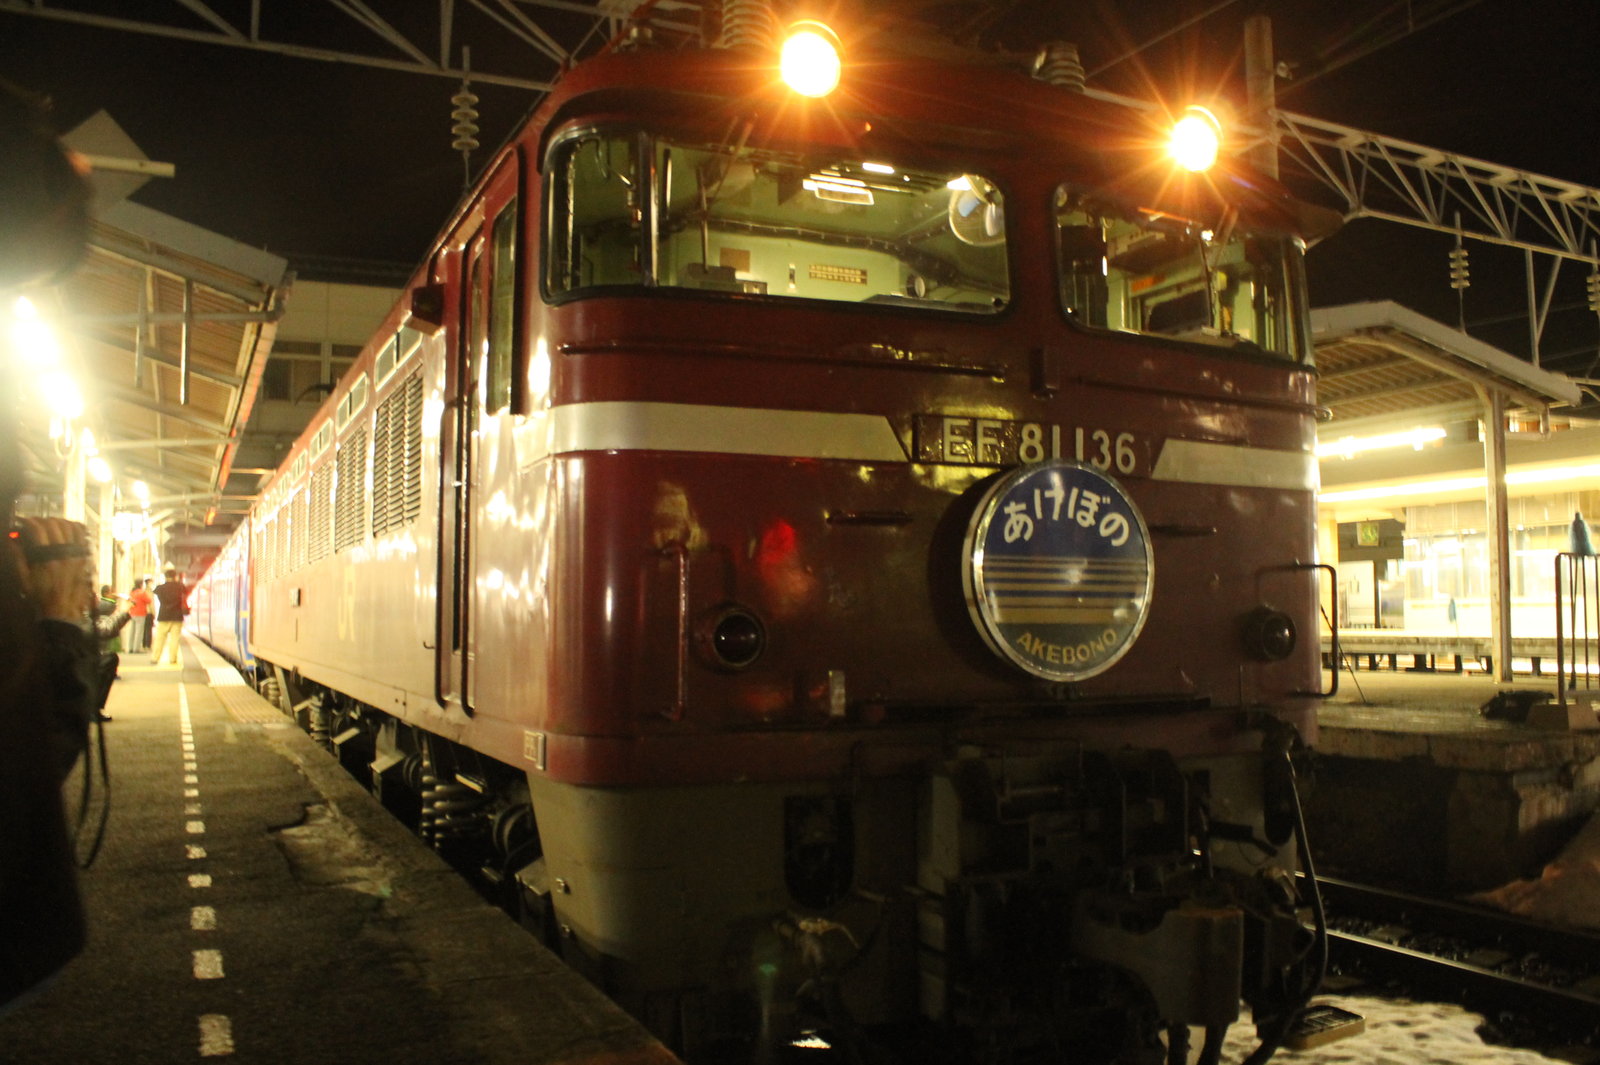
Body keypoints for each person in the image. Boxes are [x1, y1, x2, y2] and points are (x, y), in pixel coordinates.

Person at [149, 563, 187, 667]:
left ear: (165, 577)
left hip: (164, 616)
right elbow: (185, 592)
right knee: (174, 639)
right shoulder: (180, 587)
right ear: (175, 576)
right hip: (177, 616)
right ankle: (172, 659)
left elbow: (154, 592)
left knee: (160, 639)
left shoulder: (160, 588)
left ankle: (155, 658)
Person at [126, 577, 151, 653]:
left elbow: (129, 600)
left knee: (132, 631)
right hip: (140, 614)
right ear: (141, 584)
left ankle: (130, 648)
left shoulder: (132, 592)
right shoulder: (142, 593)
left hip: (132, 613)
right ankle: (136, 649)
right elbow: (149, 600)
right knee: (138, 632)